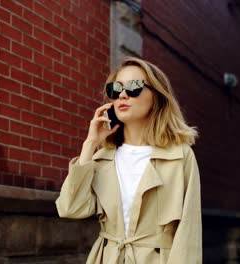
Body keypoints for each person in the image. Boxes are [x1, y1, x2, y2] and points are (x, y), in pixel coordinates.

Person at [56, 57, 202, 264]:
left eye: (134, 87)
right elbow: (70, 208)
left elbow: (189, 231)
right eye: (116, 89)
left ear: (156, 97)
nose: (123, 95)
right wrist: (90, 143)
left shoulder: (179, 156)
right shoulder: (101, 159)